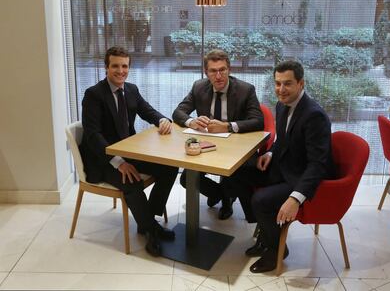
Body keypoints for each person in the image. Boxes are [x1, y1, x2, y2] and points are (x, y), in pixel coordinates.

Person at [225, 60, 335, 273]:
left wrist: (296, 198)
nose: (281, 90)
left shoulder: (314, 115)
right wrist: (270, 152)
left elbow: (317, 165)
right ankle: (265, 231)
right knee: (236, 173)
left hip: (302, 177)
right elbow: (284, 139)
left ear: (301, 84)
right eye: (277, 83)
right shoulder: (282, 105)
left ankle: (276, 250)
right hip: (285, 166)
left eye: (287, 84)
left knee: (261, 200)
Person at [79, 46, 178, 257]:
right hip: (103, 160)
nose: (120, 71)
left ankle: (147, 221)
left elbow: (147, 110)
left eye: (125, 66)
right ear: (106, 67)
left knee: (170, 167)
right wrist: (118, 162)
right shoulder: (93, 95)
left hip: (129, 151)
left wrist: (162, 119)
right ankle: (152, 230)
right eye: (115, 66)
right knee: (131, 180)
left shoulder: (131, 89)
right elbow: (93, 136)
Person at [173, 49, 264, 221]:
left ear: (229, 70)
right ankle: (223, 196)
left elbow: (258, 121)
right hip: (207, 146)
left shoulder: (246, 90)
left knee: (234, 176)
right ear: (207, 73)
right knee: (187, 179)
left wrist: (228, 126)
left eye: (222, 70)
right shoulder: (199, 87)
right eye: (213, 71)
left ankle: (227, 200)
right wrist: (191, 121)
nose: (219, 76)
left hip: (236, 148)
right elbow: (178, 112)